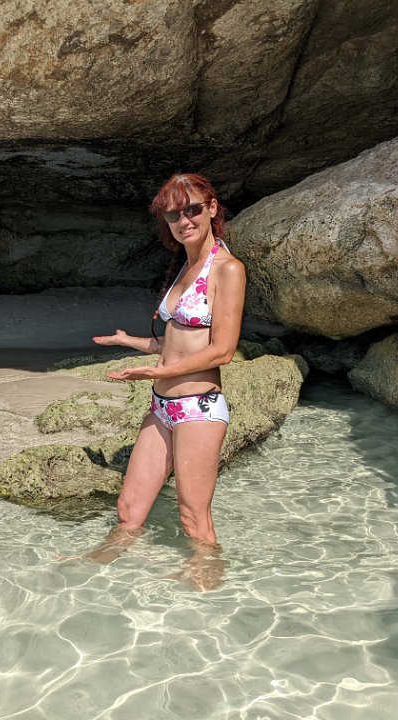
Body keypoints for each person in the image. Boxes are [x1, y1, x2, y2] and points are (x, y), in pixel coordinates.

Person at [90, 173, 246, 575]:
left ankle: (208, 589)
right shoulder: (186, 266)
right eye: (173, 215)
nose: (184, 221)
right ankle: (91, 574)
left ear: (212, 208)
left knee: (193, 519)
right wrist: (130, 341)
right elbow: (177, 343)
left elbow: (222, 350)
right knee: (128, 510)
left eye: (192, 209)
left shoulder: (227, 269)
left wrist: (155, 373)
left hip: (198, 408)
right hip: (162, 407)